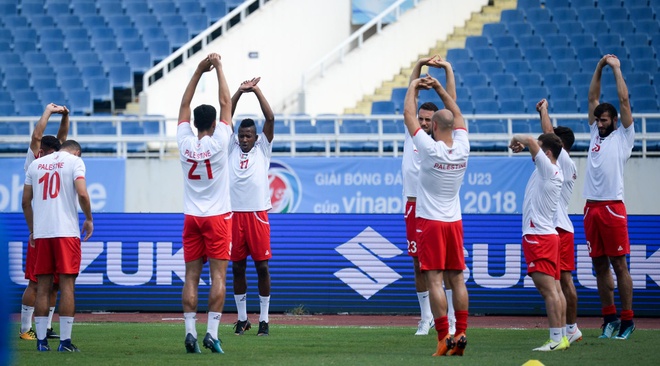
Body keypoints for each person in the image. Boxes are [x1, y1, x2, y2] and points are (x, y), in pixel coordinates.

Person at [403, 74, 469, 357]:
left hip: (430, 221)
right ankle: (462, 331)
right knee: (458, 279)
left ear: (436, 126)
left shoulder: (429, 149)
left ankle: (444, 338)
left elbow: (408, 113)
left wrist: (413, 86)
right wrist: (441, 87)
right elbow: (458, 114)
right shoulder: (463, 147)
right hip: (454, 221)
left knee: (435, 280)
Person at [177, 53, 233, 354]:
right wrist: (219, 68)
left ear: (195, 123)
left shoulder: (184, 142)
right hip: (218, 217)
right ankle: (211, 333)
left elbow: (184, 106)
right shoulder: (220, 140)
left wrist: (199, 70)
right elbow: (227, 103)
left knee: (191, 277)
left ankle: (189, 332)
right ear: (214, 123)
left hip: (191, 216)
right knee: (218, 276)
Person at [22, 139, 93, 352]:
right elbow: (82, 193)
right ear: (77, 152)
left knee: (42, 287)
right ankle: (65, 342)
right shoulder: (74, 162)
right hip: (66, 233)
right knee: (67, 286)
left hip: (43, 234)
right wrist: (89, 218)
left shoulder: (36, 164)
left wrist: (33, 229)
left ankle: (41, 342)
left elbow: (26, 202)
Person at [584, 54, 635, 340]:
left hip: (613, 207)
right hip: (591, 208)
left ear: (615, 120)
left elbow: (624, 101)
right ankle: (609, 318)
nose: (600, 123)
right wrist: (598, 65)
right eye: (598, 120)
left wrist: (615, 68)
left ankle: (627, 320)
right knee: (599, 265)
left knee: (619, 264)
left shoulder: (624, 136)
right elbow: (593, 97)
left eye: (604, 120)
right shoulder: (595, 132)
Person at [509, 132, 569, 351]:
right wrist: (526, 148)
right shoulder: (550, 171)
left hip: (539, 238)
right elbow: (536, 145)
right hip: (548, 236)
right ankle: (561, 337)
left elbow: (531, 141)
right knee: (556, 289)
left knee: (549, 292)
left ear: (548, 153)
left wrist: (515, 139)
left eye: (539, 151)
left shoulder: (548, 170)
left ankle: (555, 339)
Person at [228, 77, 274, 336]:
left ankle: (264, 320)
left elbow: (270, 119)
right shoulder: (230, 147)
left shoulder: (262, 149)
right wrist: (238, 91)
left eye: (248, 136)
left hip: (257, 215)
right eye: (241, 135)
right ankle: (243, 319)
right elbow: (226, 115)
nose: (245, 139)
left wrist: (255, 91)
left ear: (255, 137)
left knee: (262, 267)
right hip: (233, 216)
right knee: (237, 267)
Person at [20, 103, 69, 341]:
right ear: (45, 150)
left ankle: (46, 326)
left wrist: (66, 116)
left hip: (55, 228)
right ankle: (25, 329)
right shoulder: (35, 160)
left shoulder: (53, 158)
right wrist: (48, 111)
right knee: (36, 282)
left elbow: (62, 138)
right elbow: (37, 136)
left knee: (55, 284)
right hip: (39, 230)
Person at [536, 99, 582, 344]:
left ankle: (571, 328)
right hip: (556, 229)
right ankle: (566, 329)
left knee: (563, 281)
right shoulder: (563, 164)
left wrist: (544, 110)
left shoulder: (564, 161)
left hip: (560, 229)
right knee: (557, 282)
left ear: (561, 147)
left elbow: (548, 135)